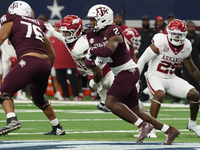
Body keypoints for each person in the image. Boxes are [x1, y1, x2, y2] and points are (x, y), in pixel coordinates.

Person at [84, 4, 179, 145]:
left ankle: (142, 125)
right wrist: (90, 57)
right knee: (138, 112)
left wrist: (91, 52)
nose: (91, 23)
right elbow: (90, 64)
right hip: (121, 73)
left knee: (110, 102)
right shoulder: (93, 35)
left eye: (93, 19)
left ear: (103, 19)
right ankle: (169, 130)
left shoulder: (113, 30)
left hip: (128, 71)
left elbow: (107, 51)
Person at [0, 1, 65, 136]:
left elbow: (0, 38)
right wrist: (44, 69)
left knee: (4, 92)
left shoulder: (12, 20)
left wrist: (33, 66)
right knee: (39, 98)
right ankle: (57, 127)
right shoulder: (38, 24)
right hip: (45, 64)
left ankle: (12, 119)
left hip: (29, 61)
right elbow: (51, 53)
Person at [137, 19, 200, 138]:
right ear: (169, 32)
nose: (176, 37)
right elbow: (142, 60)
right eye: (174, 34)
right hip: (154, 75)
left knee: (195, 95)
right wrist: (134, 81)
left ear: (184, 35)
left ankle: (192, 124)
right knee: (159, 94)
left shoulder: (186, 46)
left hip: (170, 77)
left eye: (179, 35)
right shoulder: (161, 41)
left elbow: (192, 69)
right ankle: (149, 127)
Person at [45, 15, 112, 111]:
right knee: (108, 103)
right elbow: (61, 37)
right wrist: (52, 31)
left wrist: (95, 78)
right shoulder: (70, 40)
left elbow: (98, 65)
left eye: (68, 32)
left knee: (124, 98)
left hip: (105, 71)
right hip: (93, 74)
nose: (65, 35)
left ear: (77, 32)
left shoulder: (82, 45)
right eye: (64, 32)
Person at [49, 21, 79, 101]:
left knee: (72, 80)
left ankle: (76, 95)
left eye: (59, 27)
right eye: (56, 27)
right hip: (57, 64)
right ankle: (66, 96)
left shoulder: (68, 37)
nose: (57, 29)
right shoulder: (50, 39)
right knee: (61, 81)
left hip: (69, 63)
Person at [137, 15, 157, 102]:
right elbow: (136, 46)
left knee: (152, 76)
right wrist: (136, 57)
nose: (145, 22)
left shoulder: (154, 33)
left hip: (152, 58)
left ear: (149, 22)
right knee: (142, 76)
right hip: (142, 58)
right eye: (144, 21)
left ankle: (154, 94)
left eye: (147, 21)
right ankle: (144, 96)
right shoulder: (139, 33)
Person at [183, 21, 200, 104]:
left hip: (196, 61)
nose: (191, 28)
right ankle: (188, 97)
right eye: (189, 26)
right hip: (186, 61)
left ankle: (197, 97)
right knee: (188, 79)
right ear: (187, 28)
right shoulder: (184, 38)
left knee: (197, 79)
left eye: (192, 26)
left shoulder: (198, 37)